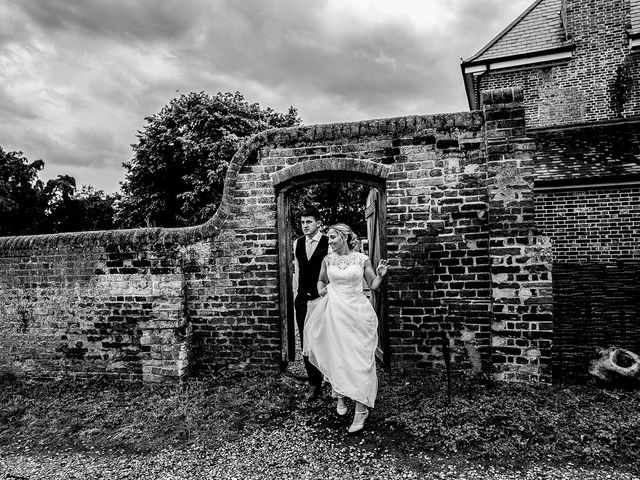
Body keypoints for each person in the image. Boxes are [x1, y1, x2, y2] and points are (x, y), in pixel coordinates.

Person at [303, 223, 389, 433]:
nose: (329, 241)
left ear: (344, 237)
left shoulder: (361, 259)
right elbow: (321, 282)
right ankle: (340, 394)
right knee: (337, 354)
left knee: (359, 357)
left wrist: (380, 274)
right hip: (334, 312)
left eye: (332, 238)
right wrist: (323, 291)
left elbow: (373, 285)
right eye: (329, 238)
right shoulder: (327, 259)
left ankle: (361, 408)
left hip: (357, 312)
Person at [293, 208, 329, 401]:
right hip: (302, 300)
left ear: (318, 223)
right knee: (306, 342)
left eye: (309, 222)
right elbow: (297, 271)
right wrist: (297, 295)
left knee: (323, 340)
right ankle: (314, 383)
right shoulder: (297, 243)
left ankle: (330, 378)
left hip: (322, 299)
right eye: (303, 222)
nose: (305, 226)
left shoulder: (328, 243)